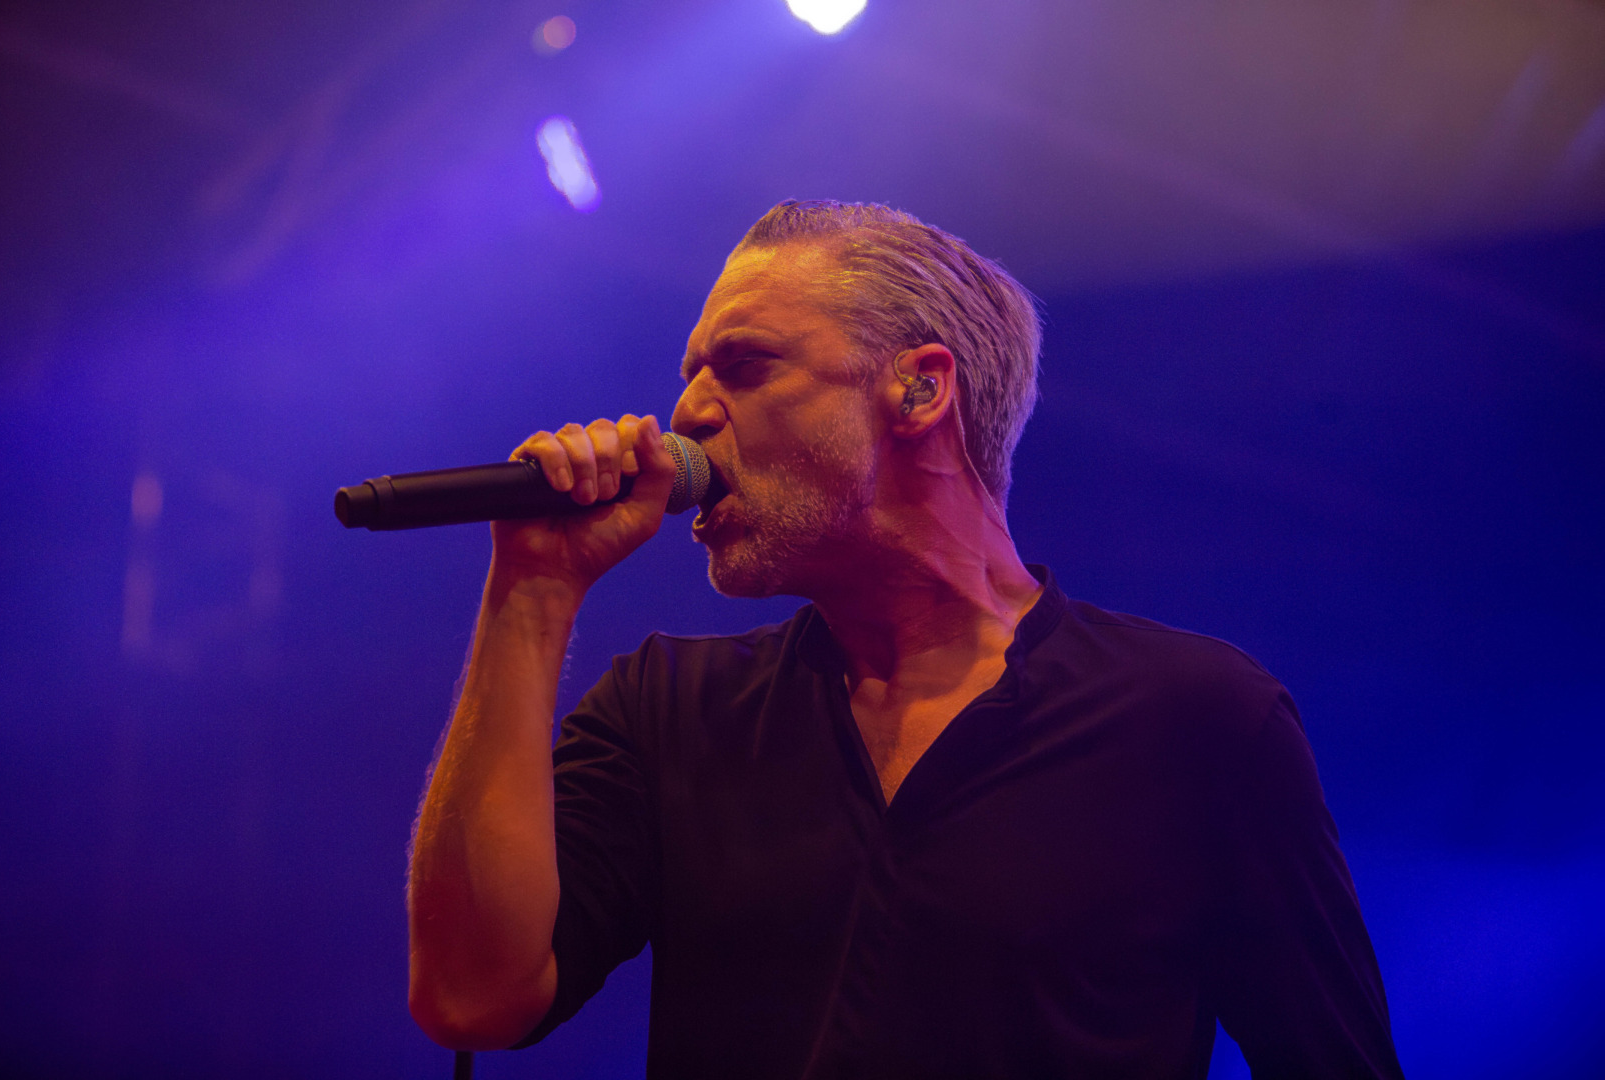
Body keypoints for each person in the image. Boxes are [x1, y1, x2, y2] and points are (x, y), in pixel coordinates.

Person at [406, 200, 1404, 1078]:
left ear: (921, 392)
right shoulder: (668, 710)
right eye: (692, 375)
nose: (687, 413)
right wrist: (532, 593)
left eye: (743, 366)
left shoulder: (1194, 719)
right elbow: (470, 1000)